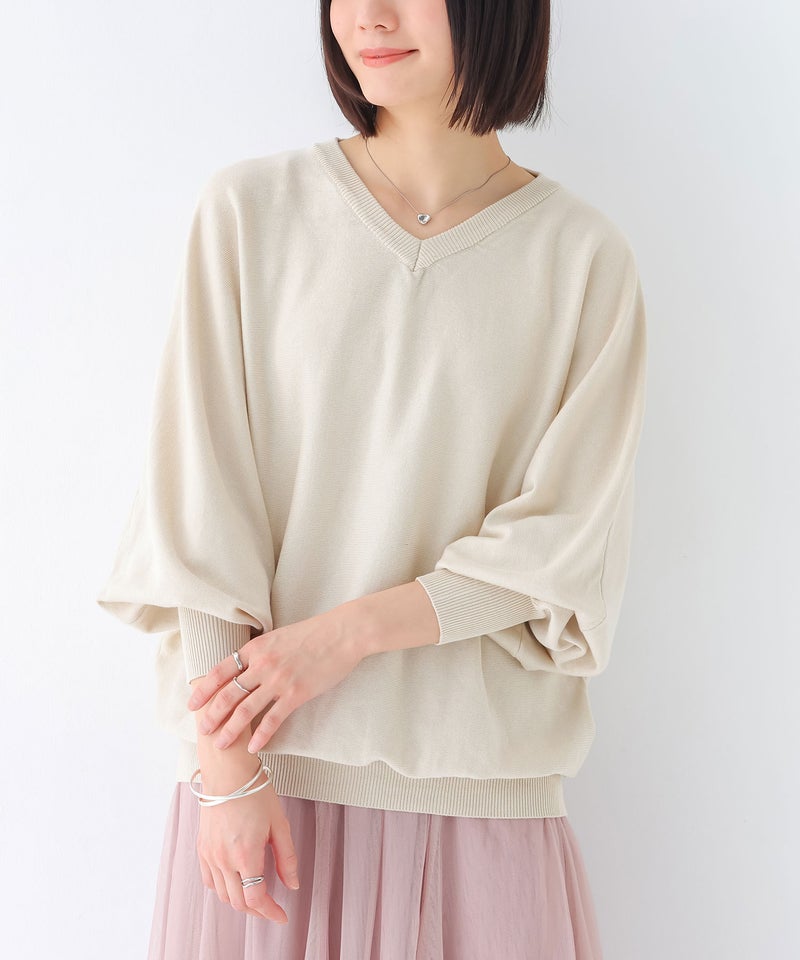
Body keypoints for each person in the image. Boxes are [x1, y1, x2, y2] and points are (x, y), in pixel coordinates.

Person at [96, 0, 648, 957]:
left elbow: (563, 545)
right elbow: (199, 501)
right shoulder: (250, 212)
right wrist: (226, 770)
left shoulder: (582, 258)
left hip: (482, 800)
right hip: (266, 801)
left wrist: (346, 635)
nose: (371, 16)